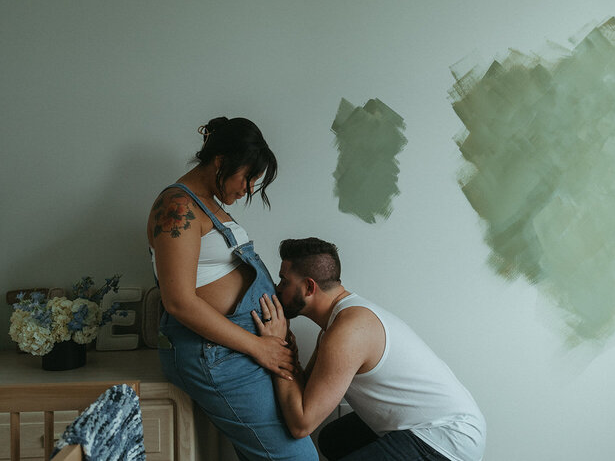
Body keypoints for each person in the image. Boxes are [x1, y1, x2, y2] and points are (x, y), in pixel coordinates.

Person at [147, 117, 318, 461]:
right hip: (218, 353)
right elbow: (178, 302)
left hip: (240, 348)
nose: (249, 189)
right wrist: (259, 347)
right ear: (221, 161)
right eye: (248, 176)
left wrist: (273, 337)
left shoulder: (208, 205)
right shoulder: (178, 208)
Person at [252, 237, 486, 461]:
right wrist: (284, 345)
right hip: (436, 425)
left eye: (284, 281)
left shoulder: (348, 332)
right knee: (332, 440)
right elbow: (304, 390)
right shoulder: (336, 325)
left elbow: (302, 424)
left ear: (309, 287)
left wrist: (276, 347)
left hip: (446, 438)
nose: (277, 288)